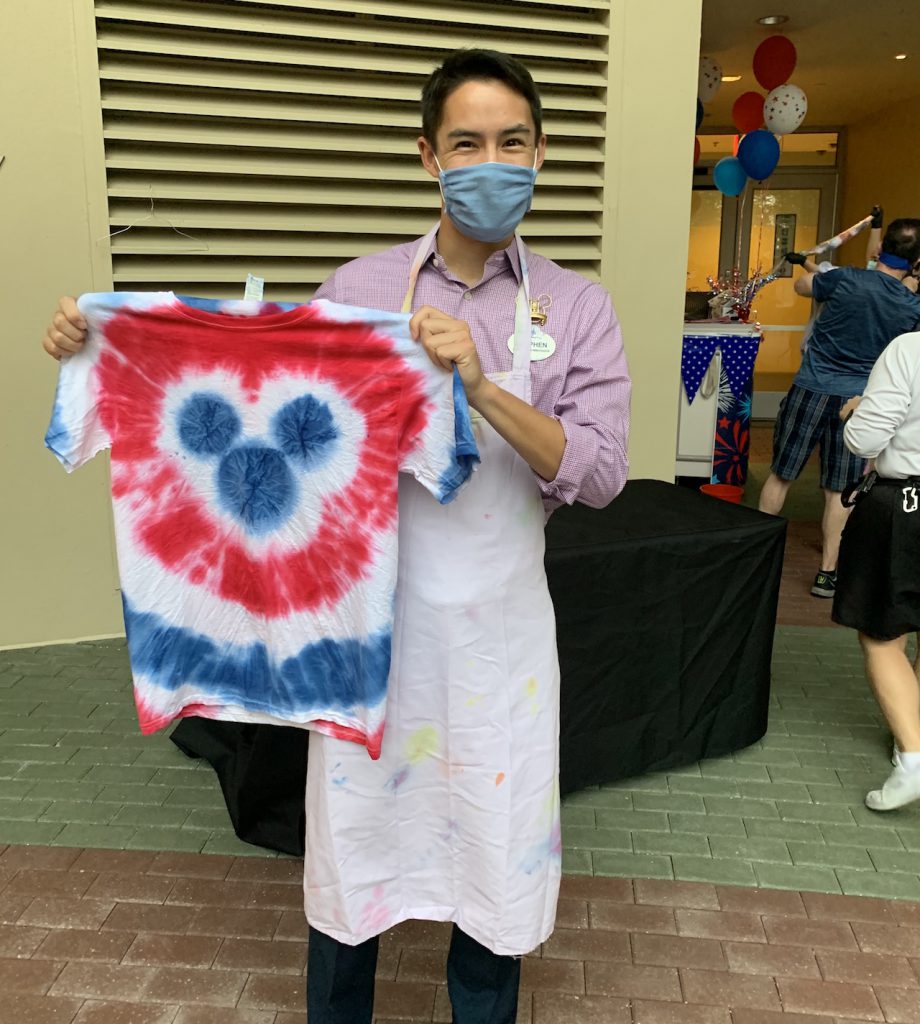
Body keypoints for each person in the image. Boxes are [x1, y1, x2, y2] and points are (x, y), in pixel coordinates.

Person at [40, 48, 631, 1024]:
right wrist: (103, 342)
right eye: (467, 143)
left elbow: (600, 473)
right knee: (353, 871)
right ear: (428, 156)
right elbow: (269, 413)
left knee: (493, 875)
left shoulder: (572, 308)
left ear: (539, 151)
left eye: (512, 142)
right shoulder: (360, 286)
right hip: (361, 640)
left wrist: (479, 387)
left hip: (499, 646)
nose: (492, 162)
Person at [758, 218, 920, 599]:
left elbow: (803, 286)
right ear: (914, 263)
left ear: (880, 250)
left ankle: (755, 556)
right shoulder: (911, 306)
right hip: (857, 402)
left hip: (811, 388)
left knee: (781, 475)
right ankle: (827, 573)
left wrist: (815, 276)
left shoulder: (846, 278)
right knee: (838, 491)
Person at [832, 328, 920, 810]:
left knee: (882, 635)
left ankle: (913, 758)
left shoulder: (909, 349)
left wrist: (857, 410)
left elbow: (864, 441)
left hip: (905, 506)